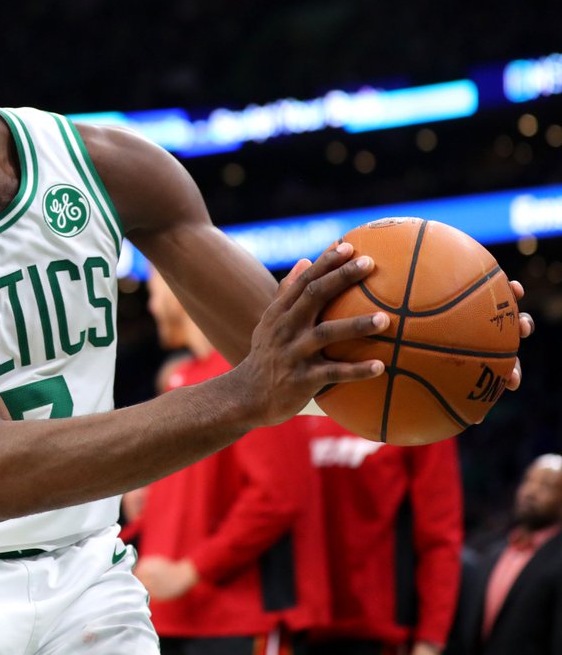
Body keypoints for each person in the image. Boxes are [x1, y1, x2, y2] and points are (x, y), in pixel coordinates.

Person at [0, 0, 531, 653]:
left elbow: (294, 363)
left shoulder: (105, 168)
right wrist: (245, 394)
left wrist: (455, 348)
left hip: (87, 581)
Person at [119, 268, 328, 655]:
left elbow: (279, 496)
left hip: (242, 619)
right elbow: (204, 492)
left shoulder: (256, 377)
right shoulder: (184, 378)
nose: (150, 306)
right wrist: (153, 503)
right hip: (171, 616)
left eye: (153, 291)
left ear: (176, 289)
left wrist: (191, 569)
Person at [304, 412, 464, 655]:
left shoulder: (422, 412)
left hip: (380, 633)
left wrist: (431, 638)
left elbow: (440, 537)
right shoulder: (302, 408)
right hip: (301, 628)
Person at [446, 453, 562, 655]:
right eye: (528, 481)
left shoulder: (556, 560)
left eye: (546, 486)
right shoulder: (493, 554)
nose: (531, 492)